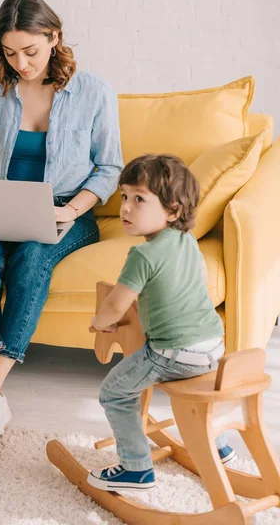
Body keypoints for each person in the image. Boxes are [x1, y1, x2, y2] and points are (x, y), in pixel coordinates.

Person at [0, 0, 123, 442]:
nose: (21, 63)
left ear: (54, 37)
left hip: (68, 211)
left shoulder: (93, 92)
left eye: (31, 51)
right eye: (10, 52)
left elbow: (110, 167)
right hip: (2, 207)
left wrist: (71, 209)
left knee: (33, 257)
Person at [87, 153, 235, 492]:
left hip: (172, 351)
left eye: (139, 199)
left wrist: (100, 322)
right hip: (214, 343)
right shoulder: (186, 241)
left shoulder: (142, 255)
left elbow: (115, 304)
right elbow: (197, 274)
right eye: (124, 196)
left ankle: (135, 468)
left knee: (114, 391)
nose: (125, 207)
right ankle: (219, 444)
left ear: (174, 211)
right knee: (199, 386)